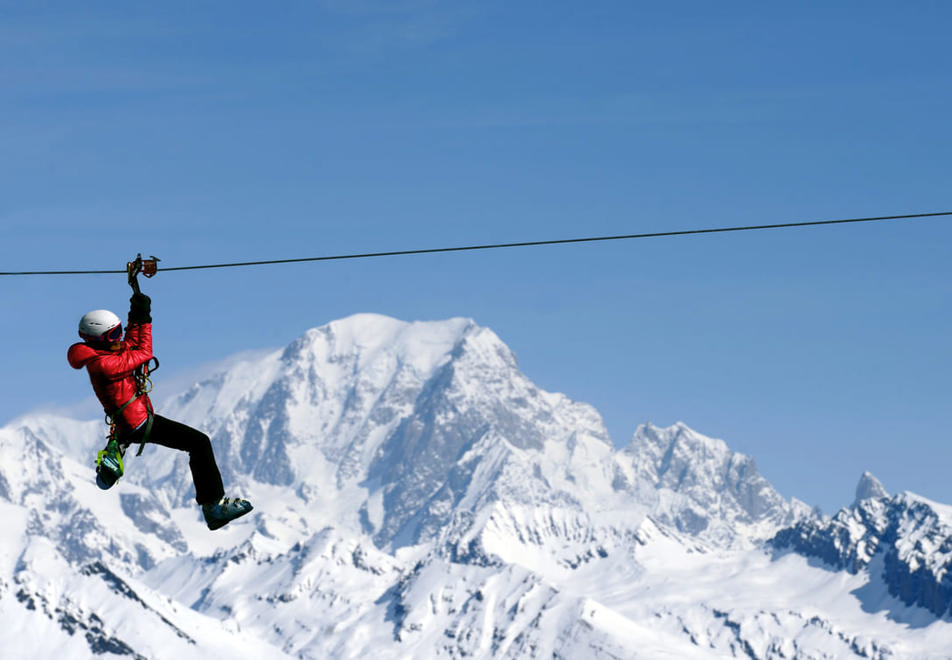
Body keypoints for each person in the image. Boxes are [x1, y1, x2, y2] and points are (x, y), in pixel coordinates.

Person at [68, 290, 253, 531]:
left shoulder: (106, 353)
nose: (119, 336)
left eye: (120, 329)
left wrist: (139, 313)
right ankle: (213, 507)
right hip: (139, 422)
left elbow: (133, 344)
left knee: (195, 443)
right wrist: (142, 317)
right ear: (98, 338)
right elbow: (143, 353)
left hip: (132, 420)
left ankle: (117, 449)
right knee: (199, 443)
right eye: (113, 333)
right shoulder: (104, 364)